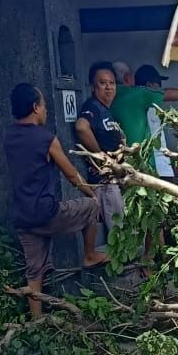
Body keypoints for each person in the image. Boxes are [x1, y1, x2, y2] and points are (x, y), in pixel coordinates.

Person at [3, 83, 107, 319]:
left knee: (34, 271)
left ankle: (36, 322)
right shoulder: (46, 139)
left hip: (22, 216)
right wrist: (91, 193)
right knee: (91, 207)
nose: (46, 110)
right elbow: (71, 174)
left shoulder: (8, 136)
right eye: (44, 105)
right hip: (46, 213)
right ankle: (90, 254)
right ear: (35, 107)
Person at [74, 61, 125, 236]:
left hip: (114, 182)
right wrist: (101, 157)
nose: (109, 87)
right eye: (103, 83)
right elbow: (81, 127)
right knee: (118, 235)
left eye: (112, 83)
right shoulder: (92, 107)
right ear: (93, 87)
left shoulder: (106, 110)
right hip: (105, 183)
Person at [111, 63, 178, 146]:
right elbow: (167, 94)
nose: (159, 88)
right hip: (140, 155)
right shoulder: (138, 96)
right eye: (158, 83)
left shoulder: (109, 97)